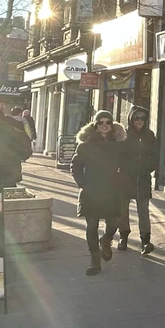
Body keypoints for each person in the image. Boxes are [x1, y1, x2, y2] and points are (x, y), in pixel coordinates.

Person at [71, 110, 127, 276]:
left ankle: (107, 239)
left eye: (107, 122)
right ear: (95, 125)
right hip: (91, 189)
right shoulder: (86, 145)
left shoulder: (117, 145)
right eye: (100, 122)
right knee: (92, 226)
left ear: (112, 125)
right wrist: (82, 184)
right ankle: (95, 261)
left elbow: (125, 166)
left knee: (113, 222)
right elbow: (76, 166)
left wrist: (121, 180)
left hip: (112, 190)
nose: (104, 125)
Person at [118, 106, 158, 255]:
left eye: (142, 118)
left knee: (143, 211)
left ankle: (145, 241)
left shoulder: (150, 135)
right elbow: (118, 155)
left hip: (142, 178)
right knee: (123, 210)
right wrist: (126, 167)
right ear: (131, 119)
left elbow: (155, 156)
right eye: (136, 118)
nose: (139, 121)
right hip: (126, 178)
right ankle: (123, 237)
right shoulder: (124, 135)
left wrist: (147, 167)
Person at [0, 107, 31, 187]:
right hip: (0, 169)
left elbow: (23, 144)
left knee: (4, 191)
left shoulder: (10, 128)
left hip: (5, 168)